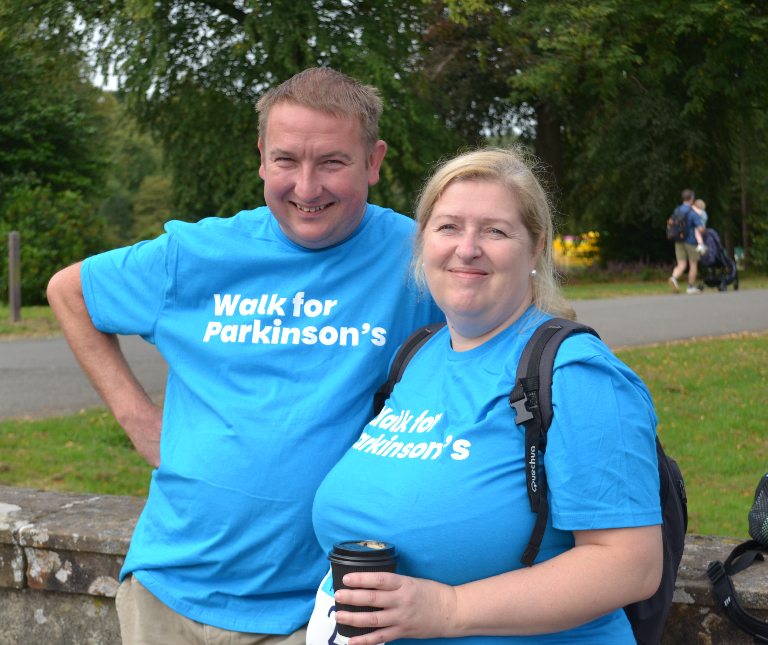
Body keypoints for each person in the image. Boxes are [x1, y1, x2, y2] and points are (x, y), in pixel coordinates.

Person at [47, 68, 443, 645]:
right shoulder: (198, 254)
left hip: (316, 607)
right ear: (261, 158)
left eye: (332, 162)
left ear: (374, 162)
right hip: (167, 592)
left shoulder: (417, 263)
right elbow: (70, 291)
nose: (307, 187)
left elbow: (511, 343)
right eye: (286, 161)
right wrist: (140, 423)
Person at [308, 149, 663, 645]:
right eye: (448, 227)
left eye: (495, 231)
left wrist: (448, 610)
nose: (467, 248)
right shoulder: (417, 357)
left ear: (535, 248)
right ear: (423, 243)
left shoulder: (577, 375)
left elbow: (631, 565)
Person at [668, 189, 707, 294]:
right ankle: (690, 287)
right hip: (691, 241)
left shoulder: (677, 210)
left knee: (681, 264)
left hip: (679, 240)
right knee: (693, 264)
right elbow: (700, 228)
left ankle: (674, 278)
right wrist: (704, 231)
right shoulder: (693, 212)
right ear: (692, 198)